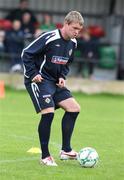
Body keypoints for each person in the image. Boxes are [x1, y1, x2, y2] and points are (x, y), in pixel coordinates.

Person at [21, 11, 84, 166]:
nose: (77, 32)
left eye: (79, 30)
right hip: (39, 80)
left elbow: (67, 62)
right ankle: (45, 156)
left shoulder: (73, 43)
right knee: (48, 112)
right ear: (66, 24)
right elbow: (26, 53)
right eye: (74, 28)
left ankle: (66, 150)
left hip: (55, 82)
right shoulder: (50, 37)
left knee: (74, 108)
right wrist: (32, 73)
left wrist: (62, 76)